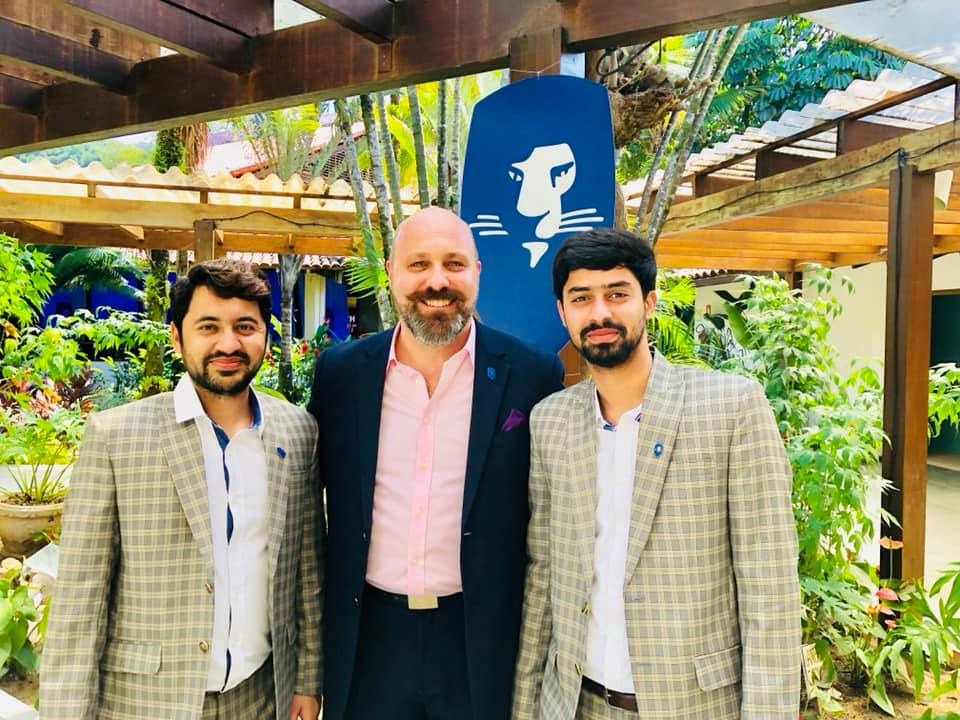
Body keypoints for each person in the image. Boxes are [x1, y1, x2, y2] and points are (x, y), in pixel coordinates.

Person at [512, 228, 801, 720]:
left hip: (694, 706)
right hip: (575, 704)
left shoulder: (731, 407)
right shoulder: (550, 421)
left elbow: (768, 583)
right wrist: (526, 706)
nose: (599, 313)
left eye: (617, 294)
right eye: (581, 298)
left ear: (649, 301)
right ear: (562, 312)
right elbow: (543, 574)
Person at [309, 207, 565, 720]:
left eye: (454, 264)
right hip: (367, 639)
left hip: (480, 639)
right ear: (391, 272)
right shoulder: (341, 375)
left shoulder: (533, 375)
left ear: (477, 272)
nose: (437, 281)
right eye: (419, 264)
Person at [41, 259, 323, 720]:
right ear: (177, 337)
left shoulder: (296, 431)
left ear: (265, 337)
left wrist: (308, 681)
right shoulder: (117, 437)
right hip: (146, 703)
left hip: (260, 698)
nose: (228, 344)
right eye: (208, 327)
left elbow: (307, 572)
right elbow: (79, 598)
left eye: (245, 327)